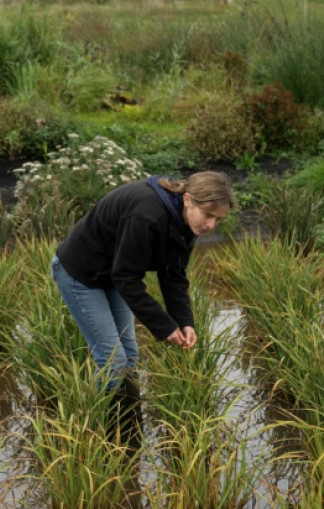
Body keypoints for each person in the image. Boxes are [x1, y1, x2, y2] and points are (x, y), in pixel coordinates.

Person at [50, 171, 235, 438]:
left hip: (113, 273)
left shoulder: (186, 224)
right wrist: (164, 327)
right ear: (187, 200)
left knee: (130, 357)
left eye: (218, 219)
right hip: (80, 275)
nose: (211, 225)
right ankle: (100, 431)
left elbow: (173, 275)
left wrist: (184, 323)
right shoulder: (146, 214)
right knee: (113, 362)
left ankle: (127, 426)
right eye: (207, 215)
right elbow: (126, 277)